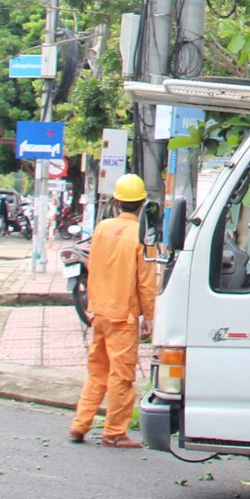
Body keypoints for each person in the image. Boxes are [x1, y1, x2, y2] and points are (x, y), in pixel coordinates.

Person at [69, 172, 157, 448]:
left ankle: (80, 424)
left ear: (117, 202)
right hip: (122, 316)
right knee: (121, 375)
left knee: (97, 372)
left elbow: (93, 268)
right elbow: (146, 282)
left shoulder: (102, 228)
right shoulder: (143, 235)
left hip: (99, 312)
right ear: (142, 202)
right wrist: (151, 318)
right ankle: (115, 432)